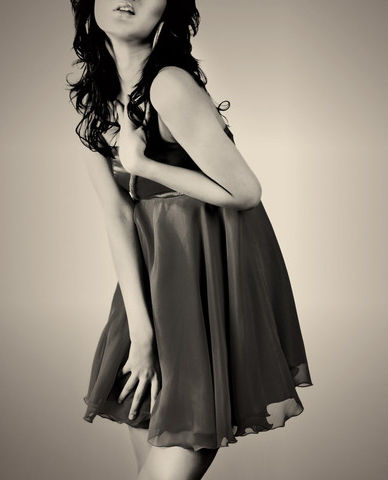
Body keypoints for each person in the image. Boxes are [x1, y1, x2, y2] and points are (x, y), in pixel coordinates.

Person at [68, 1, 313, 478]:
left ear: (169, 9)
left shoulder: (169, 84)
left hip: (204, 286)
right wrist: (141, 334)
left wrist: (142, 165)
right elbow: (117, 217)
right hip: (151, 289)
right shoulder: (95, 100)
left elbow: (245, 192)